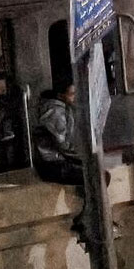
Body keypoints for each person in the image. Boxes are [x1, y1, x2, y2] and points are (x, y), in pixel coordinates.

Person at [33, 81, 89, 240]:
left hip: (54, 161)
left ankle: (85, 217)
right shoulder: (55, 111)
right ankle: (84, 220)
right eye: (72, 94)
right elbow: (63, 146)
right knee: (98, 177)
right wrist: (84, 159)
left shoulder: (58, 107)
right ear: (61, 95)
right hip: (52, 164)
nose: (75, 97)